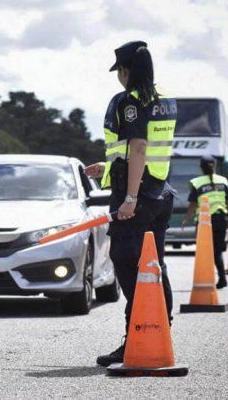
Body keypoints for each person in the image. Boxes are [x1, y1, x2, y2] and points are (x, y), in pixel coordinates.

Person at [85, 41, 177, 367]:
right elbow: (144, 152)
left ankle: (139, 334)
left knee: (127, 261)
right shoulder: (164, 100)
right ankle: (160, 326)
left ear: (127, 71)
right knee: (152, 263)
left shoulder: (130, 103)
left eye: (120, 71)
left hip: (138, 196)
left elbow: (138, 149)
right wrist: (107, 167)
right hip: (160, 192)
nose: (118, 78)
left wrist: (129, 198)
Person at [182, 156, 228, 289]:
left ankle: (206, 279)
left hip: (205, 222)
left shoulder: (197, 182)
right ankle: (222, 278)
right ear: (214, 166)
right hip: (221, 219)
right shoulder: (223, 181)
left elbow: (193, 204)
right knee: (217, 251)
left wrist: (187, 219)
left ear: (201, 167)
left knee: (204, 250)